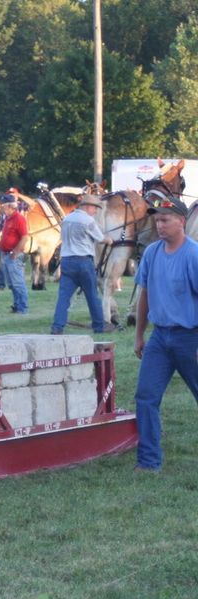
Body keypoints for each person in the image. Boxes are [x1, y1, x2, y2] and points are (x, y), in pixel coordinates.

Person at [132, 192, 198, 472]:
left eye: (165, 220)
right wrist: (139, 335)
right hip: (160, 338)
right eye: (157, 221)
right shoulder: (151, 253)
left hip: (190, 337)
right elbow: (144, 294)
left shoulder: (193, 254)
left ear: (181, 221)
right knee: (146, 396)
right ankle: (148, 462)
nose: (160, 226)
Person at [50, 194, 113, 335]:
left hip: (66, 261)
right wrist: (109, 240)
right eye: (95, 208)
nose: (95, 211)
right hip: (83, 261)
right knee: (92, 295)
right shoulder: (88, 221)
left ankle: (57, 326)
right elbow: (100, 238)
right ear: (88, 206)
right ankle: (99, 326)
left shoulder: (67, 219)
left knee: (64, 297)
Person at [0, 193, 29, 314]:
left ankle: (23, 307)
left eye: (2, 206)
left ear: (10, 206)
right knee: (12, 283)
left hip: (13, 255)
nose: (1, 208)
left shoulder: (19, 218)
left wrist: (16, 251)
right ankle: (17, 305)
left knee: (18, 283)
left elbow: (25, 237)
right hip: (6, 254)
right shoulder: (8, 218)